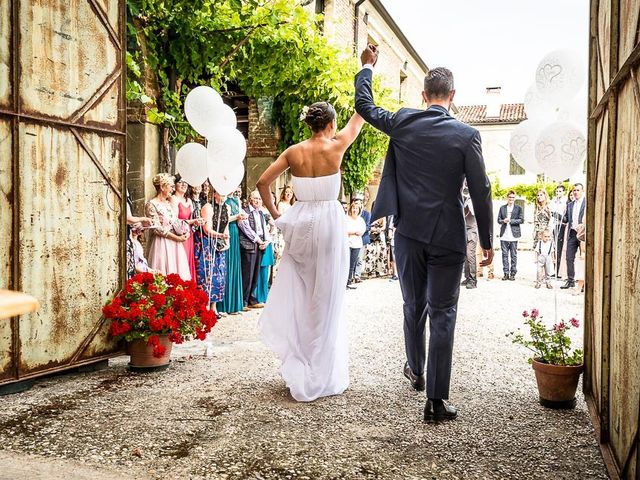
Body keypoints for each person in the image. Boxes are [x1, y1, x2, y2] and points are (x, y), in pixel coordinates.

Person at [355, 45, 493, 422]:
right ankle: (435, 401)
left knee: (413, 306)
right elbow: (480, 190)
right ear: (452, 96)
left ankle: (415, 370)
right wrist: (486, 241)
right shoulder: (467, 135)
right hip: (448, 236)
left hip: (408, 234)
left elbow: (365, 107)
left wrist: (366, 67)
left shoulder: (403, 121)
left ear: (423, 96)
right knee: (443, 312)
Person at [256, 101, 365, 402]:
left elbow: (263, 182)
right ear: (331, 124)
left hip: (300, 226)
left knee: (301, 295)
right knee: (327, 297)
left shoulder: (294, 152)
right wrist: (366, 69)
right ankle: (322, 369)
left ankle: (302, 361)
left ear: (309, 124)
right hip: (329, 226)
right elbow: (361, 114)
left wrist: (278, 215)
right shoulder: (338, 144)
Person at [145, 173, 191, 279]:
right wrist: (177, 238)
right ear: (162, 187)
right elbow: (156, 229)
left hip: (175, 244)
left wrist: (185, 230)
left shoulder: (168, 203)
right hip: (162, 243)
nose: (172, 189)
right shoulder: (151, 204)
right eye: (170, 186)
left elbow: (175, 221)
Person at [194, 189, 230, 315]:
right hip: (206, 243)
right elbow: (207, 229)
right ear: (214, 194)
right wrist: (220, 235)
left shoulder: (227, 207)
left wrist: (226, 241)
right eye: (221, 193)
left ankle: (214, 306)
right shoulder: (208, 207)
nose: (224, 195)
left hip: (219, 242)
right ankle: (205, 306)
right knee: (206, 274)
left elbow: (226, 226)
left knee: (219, 276)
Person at [238, 190, 271, 311]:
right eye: (255, 198)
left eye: (260, 199)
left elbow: (264, 229)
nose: (258, 201)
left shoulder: (261, 213)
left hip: (260, 245)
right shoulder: (244, 211)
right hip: (249, 245)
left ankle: (252, 299)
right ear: (250, 199)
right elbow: (245, 228)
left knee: (256, 273)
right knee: (247, 274)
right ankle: (243, 301)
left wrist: (266, 242)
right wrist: (258, 240)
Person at [217, 186, 247, 315]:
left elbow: (239, 215)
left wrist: (242, 217)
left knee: (235, 266)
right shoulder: (222, 200)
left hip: (235, 231)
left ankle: (235, 304)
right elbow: (221, 218)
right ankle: (223, 305)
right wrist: (236, 217)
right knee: (226, 265)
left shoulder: (236, 200)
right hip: (225, 230)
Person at [171, 175, 202, 281]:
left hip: (189, 235)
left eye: (185, 182)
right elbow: (174, 221)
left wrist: (197, 222)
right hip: (178, 235)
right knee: (180, 260)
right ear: (174, 185)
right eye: (180, 182)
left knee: (189, 259)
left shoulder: (188, 200)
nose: (183, 184)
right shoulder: (173, 199)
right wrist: (192, 221)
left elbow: (192, 218)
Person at [252, 195, 277, 303]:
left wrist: (269, 237)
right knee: (257, 270)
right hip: (258, 242)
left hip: (267, 242)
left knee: (264, 271)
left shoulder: (266, 211)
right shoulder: (256, 211)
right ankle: (256, 296)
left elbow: (273, 225)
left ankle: (262, 296)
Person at [561, 183, 586, 289]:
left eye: (578, 190)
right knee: (569, 257)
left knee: (584, 257)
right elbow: (566, 219)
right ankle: (570, 280)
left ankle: (584, 282)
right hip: (572, 232)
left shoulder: (587, 203)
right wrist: (559, 216)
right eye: (574, 190)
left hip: (583, 233)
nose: (576, 192)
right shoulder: (570, 204)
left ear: (582, 191)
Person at [497, 191, 523, 281]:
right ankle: (505, 273)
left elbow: (521, 220)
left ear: (514, 198)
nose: (511, 199)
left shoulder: (518, 208)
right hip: (504, 234)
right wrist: (503, 221)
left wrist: (511, 221)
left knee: (513, 255)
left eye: (513, 197)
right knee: (504, 255)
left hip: (514, 235)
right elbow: (498, 220)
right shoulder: (502, 208)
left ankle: (513, 273)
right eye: (510, 197)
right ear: (507, 198)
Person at [346, 199, 366, 289]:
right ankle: (344, 282)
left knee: (352, 264)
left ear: (359, 210)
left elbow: (361, 232)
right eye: (353, 208)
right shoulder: (347, 218)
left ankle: (349, 281)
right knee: (346, 263)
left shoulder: (361, 220)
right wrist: (354, 232)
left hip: (357, 244)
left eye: (357, 208)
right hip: (348, 244)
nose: (355, 210)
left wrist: (352, 232)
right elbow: (346, 231)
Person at [461, 183, 478, 289]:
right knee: (465, 256)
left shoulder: (473, 200)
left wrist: (469, 199)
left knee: (470, 255)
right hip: (464, 230)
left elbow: (472, 211)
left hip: (472, 231)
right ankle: (467, 277)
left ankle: (473, 280)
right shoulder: (462, 198)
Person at [549, 184, 567, 278]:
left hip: (561, 226)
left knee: (559, 249)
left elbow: (564, 216)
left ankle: (559, 272)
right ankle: (555, 270)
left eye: (560, 191)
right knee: (554, 249)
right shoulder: (553, 201)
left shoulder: (565, 202)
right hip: (554, 226)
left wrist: (556, 215)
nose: (558, 193)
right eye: (557, 191)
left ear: (563, 192)